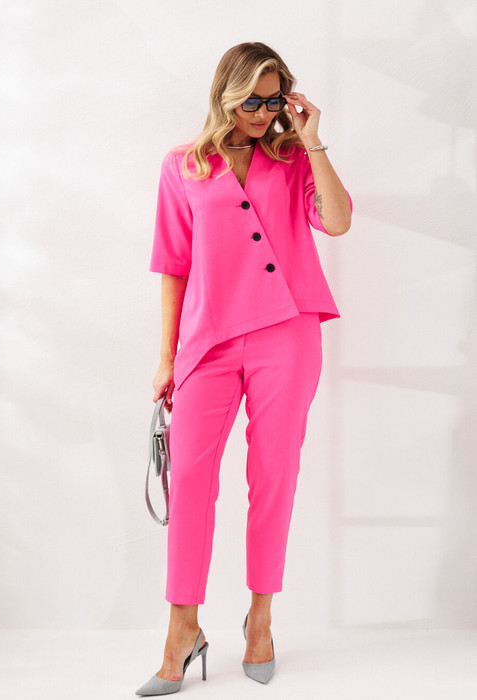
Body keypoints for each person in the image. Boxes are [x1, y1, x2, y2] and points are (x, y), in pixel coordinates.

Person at [136, 41, 352, 696]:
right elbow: (173, 265)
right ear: (225, 94)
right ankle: (182, 630)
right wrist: (166, 356)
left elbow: (338, 222)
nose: (261, 113)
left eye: (272, 99)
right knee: (189, 480)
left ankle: (261, 620)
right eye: (250, 100)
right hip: (208, 342)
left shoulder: (292, 159)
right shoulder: (183, 166)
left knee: (273, 476)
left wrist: (312, 139)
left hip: (287, 333)